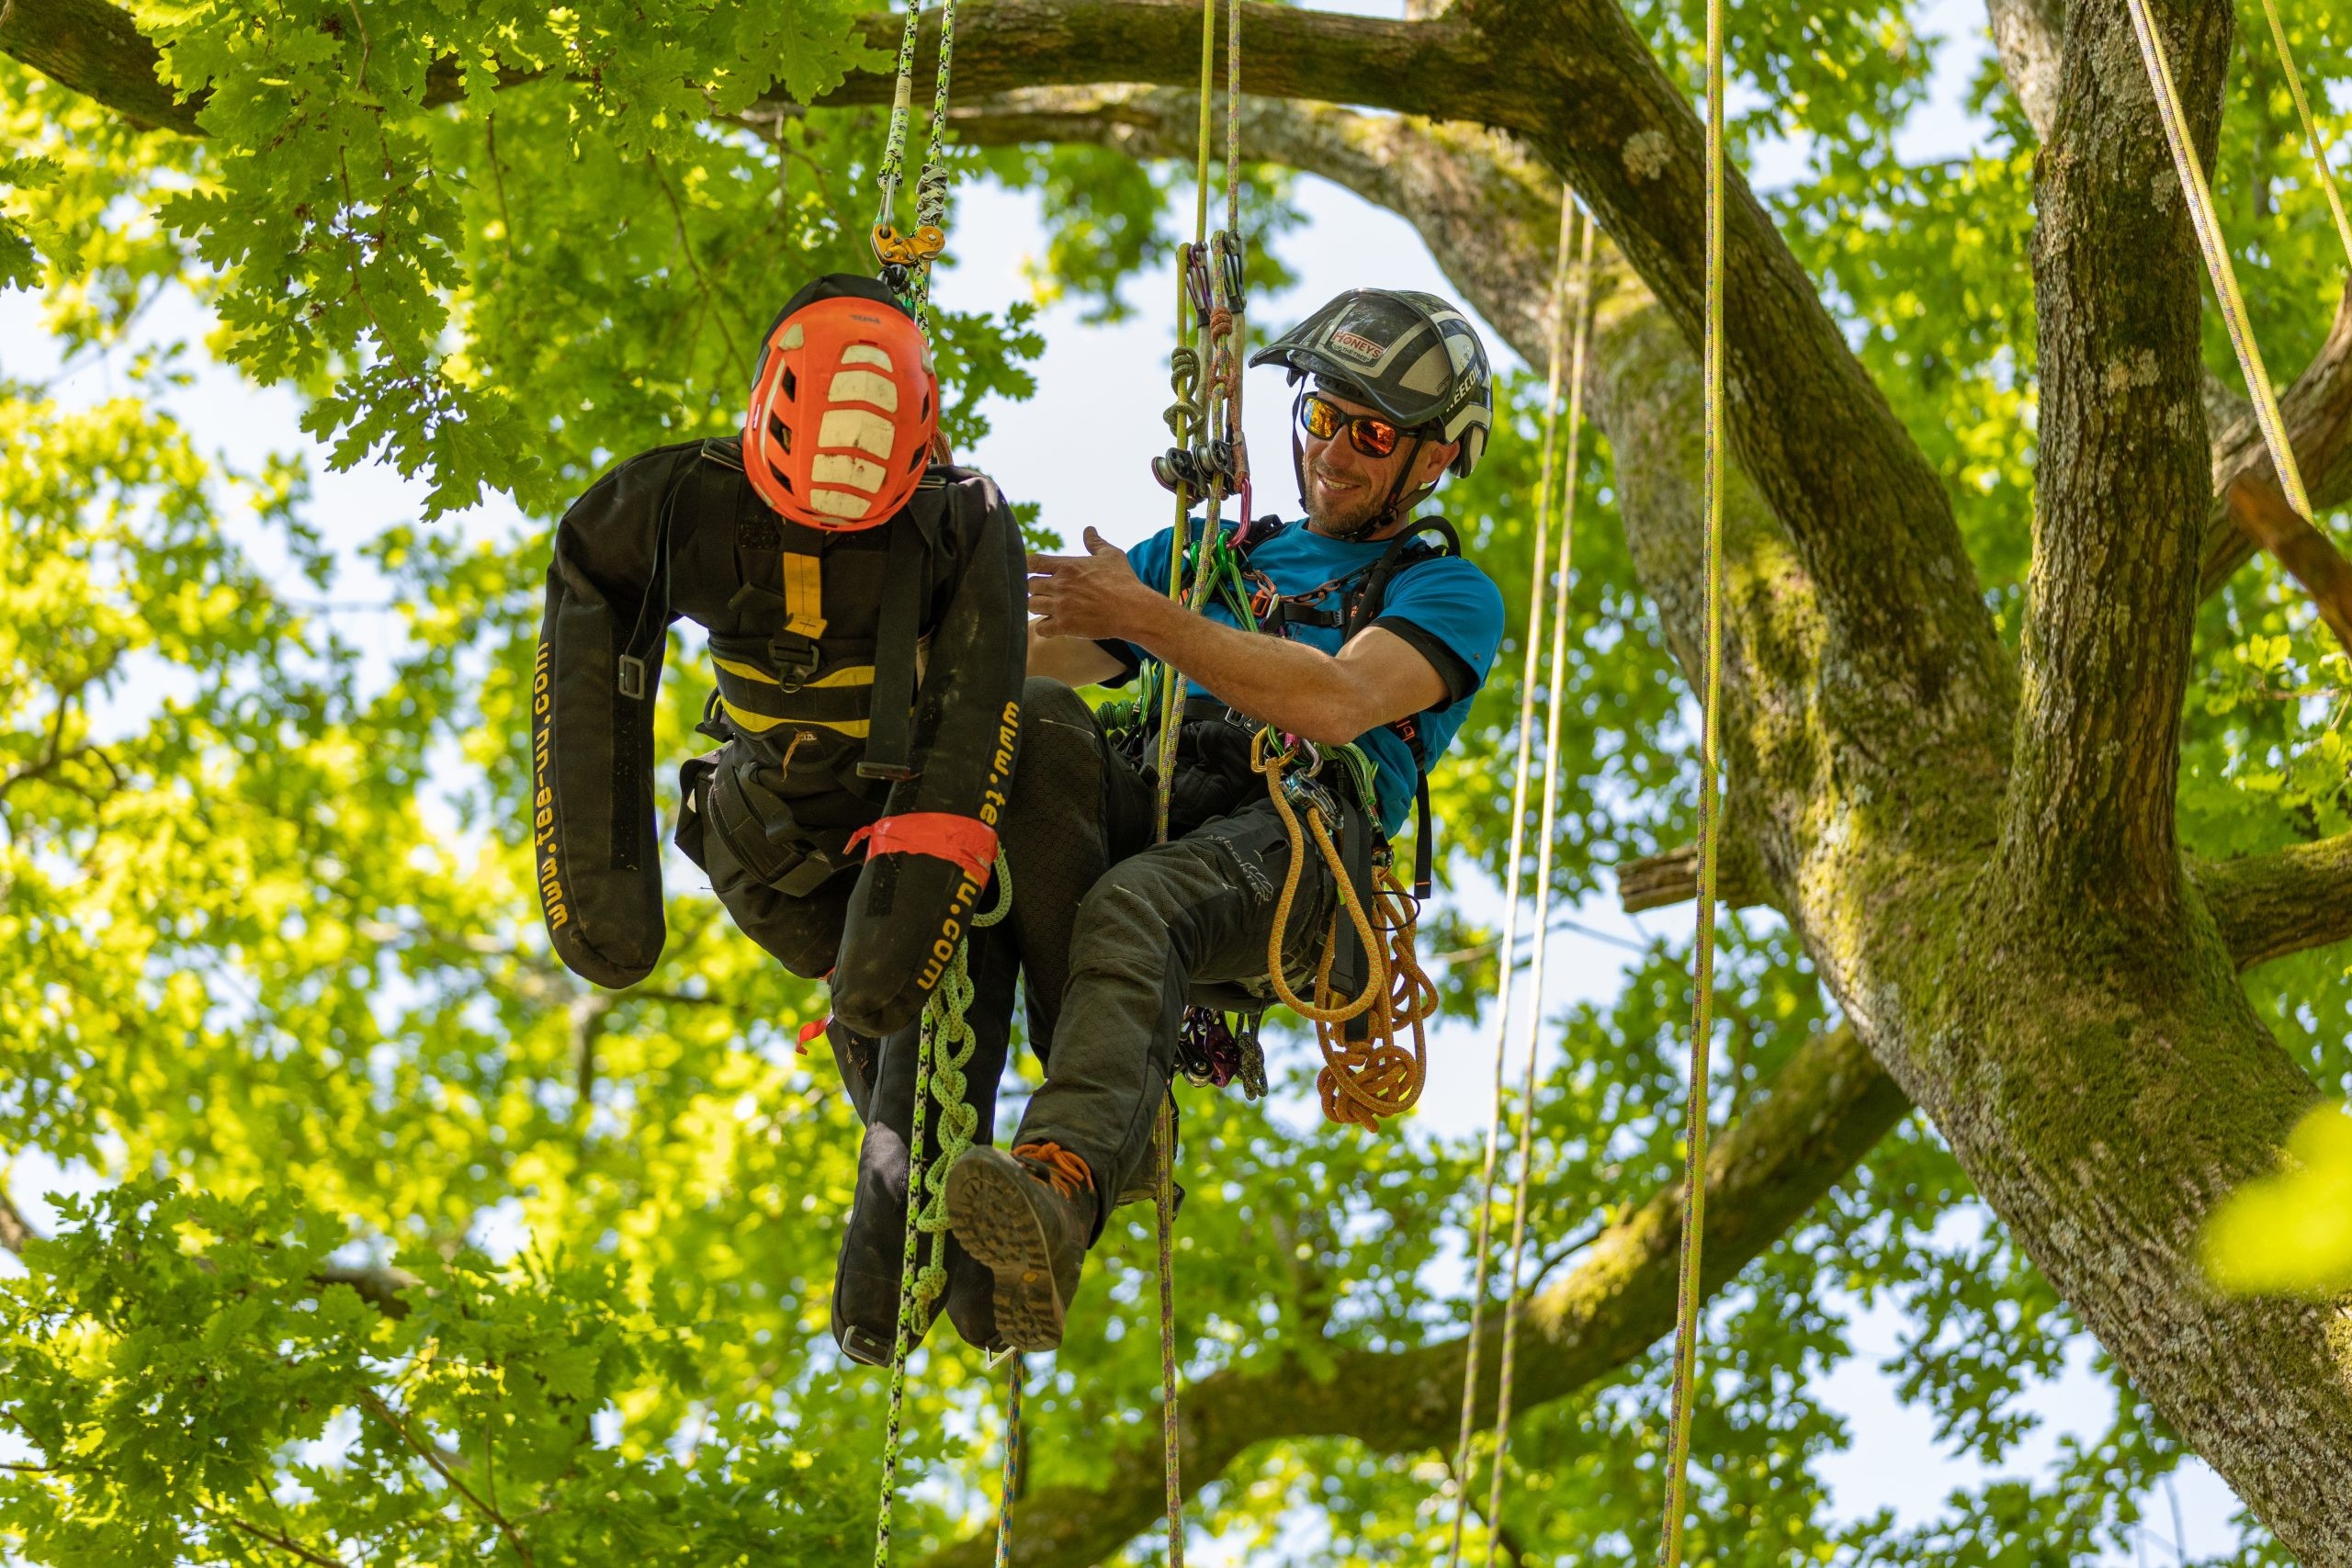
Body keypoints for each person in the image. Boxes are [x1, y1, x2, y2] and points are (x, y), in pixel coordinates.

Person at [942, 288, 1509, 1352]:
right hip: (1156, 805)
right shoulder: (1209, 556)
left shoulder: (1445, 592)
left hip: (1291, 849)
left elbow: (1335, 701)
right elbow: (1023, 668)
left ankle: (1061, 1183)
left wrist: (1148, 617)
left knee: (1134, 906)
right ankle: (1061, 1136)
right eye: (1322, 418)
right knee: (1041, 726)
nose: (1335, 453)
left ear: (1432, 461)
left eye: (1372, 433)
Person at [528, 272, 1036, 1364]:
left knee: (959, 972)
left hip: (890, 842)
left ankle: (957, 1274)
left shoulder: (959, 524)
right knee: (888, 988)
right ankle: (922, 1247)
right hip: (771, 853)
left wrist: (910, 923)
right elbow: (591, 623)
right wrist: (598, 882)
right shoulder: (674, 504)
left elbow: (971, 721)